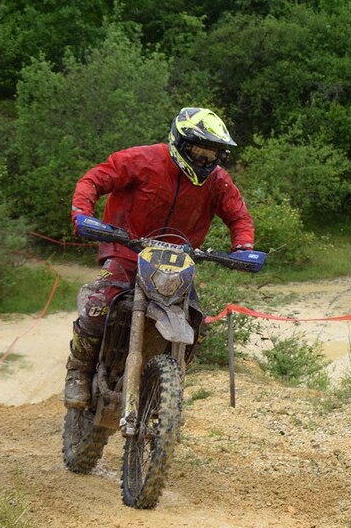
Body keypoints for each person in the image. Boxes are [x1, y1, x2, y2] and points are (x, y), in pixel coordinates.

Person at [64, 107, 255, 409]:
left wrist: (243, 247)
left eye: (212, 154)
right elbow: (93, 180)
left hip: (178, 262)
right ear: (179, 143)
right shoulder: (140, 160)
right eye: (198, 151)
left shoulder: (218, 181)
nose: (205, 160)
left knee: (198, 325)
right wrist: (83, 213)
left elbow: (239, 217)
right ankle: (78, 368)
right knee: (98, 304)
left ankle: (168, 387)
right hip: (127, 250)